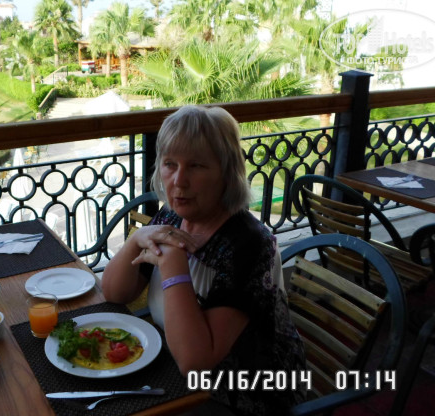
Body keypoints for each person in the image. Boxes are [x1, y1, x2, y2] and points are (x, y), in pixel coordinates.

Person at [101, 105, 305, 415]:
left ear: (226, 173)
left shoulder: (249, 244)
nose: (179, 181)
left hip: (245, 397)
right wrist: (135, 240)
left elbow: (194, 362)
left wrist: (173, 264)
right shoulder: (171, 217)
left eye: (196, 166)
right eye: (170, 164)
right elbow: (114, 293)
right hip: (174, 370)